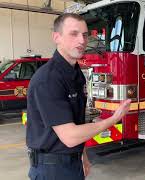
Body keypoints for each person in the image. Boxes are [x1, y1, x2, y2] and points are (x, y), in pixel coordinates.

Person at [26, 13, 131, 180]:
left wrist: (83, 156)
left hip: (72, 163)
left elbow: (77, 121)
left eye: (84, 35)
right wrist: (113, 119)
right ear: (56, 37)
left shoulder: (77, 75)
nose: (82, 41)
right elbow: (69, 136)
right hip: (51, 170)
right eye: (73, 34)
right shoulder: (48, 79)